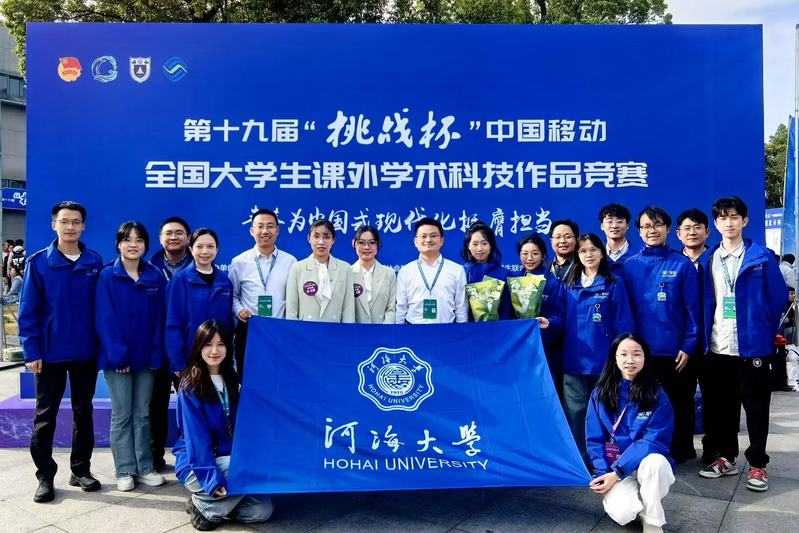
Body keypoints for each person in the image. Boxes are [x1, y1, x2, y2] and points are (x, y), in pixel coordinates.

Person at [699, 196, 787, 492]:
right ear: (715, 224)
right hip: (719, 346)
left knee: (757, 409)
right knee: (723, 408)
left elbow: (777, 298)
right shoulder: (709, 259)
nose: (729, 223)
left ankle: (758, 464)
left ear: (744, 221)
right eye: (723, 218)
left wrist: (762, 331)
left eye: (734, 217)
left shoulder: (762, 257)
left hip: (753, 348)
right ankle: (727, 457)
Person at [19, 201, 104, 502]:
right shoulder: (39, 263)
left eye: (76, 222)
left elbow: (101, 309)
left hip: (85, 352)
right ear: (54, 225)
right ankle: (45, 475)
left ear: (83, 226)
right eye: (64, 221)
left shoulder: (94, 261)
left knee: (84, 412)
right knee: (45, 416)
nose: (70, 227)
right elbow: (28, 311)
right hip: (50, 354)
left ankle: (80, 469)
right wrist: (32, 352)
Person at [174, 320, 273, 531]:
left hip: (231, 460)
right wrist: (211, 480)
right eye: (208, 344)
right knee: (250, 466)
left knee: (262, 510)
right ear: (199, 347)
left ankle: (207, 506)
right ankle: (205, 503)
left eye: (221, 344)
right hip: (198, 465)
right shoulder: (190, 386)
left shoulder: (232, 380)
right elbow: (196, 439)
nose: (214, 351)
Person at [621, 206, 701, 463]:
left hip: (676, 352)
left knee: (680, 402)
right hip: (641, 353)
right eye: (646, 226)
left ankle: (682, 450)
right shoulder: (629, 266)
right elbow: (624, 310)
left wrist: (689, 345)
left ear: (667, 229)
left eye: (657, 225)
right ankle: (647, 451)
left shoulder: (682, 264)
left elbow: (693, 310)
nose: (652, 230)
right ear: (639, 231)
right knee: (643, 405)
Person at [95, 221, 167, 491]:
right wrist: (118, 356)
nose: (133, 244)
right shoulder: (107, 276)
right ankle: (124, 469)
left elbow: (161, 319)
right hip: (118, 361)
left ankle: (145, 466)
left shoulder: (155, 276)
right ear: (118, 244)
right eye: (127, 239)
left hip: (147, 358)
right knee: (122, 414)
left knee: (143, 414)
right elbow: (104, 319)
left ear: (146, 245)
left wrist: (157, 355)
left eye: (139, 240)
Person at [586, 333, 675, 533]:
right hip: (614, 466)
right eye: (624, 354)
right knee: (623, 514)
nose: (630, 360)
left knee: (656, 463)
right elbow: (594, 440)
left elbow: (654, 441)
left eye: (636, 354)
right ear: (614, 358)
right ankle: (639, 504)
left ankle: (652, 522)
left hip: (643, 464)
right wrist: (603, 473)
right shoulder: (600, 394)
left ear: (645, 358)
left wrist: (619, 471)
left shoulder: (657, 395)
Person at [562, 233, 636, 461]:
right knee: (576, 414)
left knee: (606, 413)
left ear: (602, 253)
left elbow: (624, 325)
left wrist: (622, 358)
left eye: (593, 249)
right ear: (577, 255)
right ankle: (581, 461)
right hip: (574, 362)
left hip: (604, 362)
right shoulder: (568, 285)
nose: (588, 254)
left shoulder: (613, 283)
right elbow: (559, 320)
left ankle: (606, 460)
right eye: (583, 251)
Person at [229, 209, 297, 378]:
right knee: (248, 378)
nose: (265, 231)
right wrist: (239, 310)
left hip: (280, 330)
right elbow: (232, 296)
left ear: (277, 230)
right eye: (260, 226)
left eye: (270, 226)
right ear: (252, 231)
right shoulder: (239, 262)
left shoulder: (290, 262)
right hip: (249, 330)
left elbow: (294, 299)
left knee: (280, 378)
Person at [150, 215, 193, 470]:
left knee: (192, 407)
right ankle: (154, 459)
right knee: (155, 406)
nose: (174, 237)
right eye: (168, 233)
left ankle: (192, 457)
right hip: (156, 350)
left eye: (179, 233)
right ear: (160, 239)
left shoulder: (198, 268)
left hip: (188, 352)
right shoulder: (148, 268)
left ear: (188, 238)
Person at [165, 228, 235, 377]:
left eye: (210, 246)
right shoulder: (180, 280)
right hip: (189, 360)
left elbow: (228, 325)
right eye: (199, 246)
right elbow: (172, 324)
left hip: (218, 360)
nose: (205, 251)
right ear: (191, 250)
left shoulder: (225, 282)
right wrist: (178, 363)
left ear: (217, 250)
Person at [512, 233, 566, 397]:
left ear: (543, 256)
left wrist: (549, 323)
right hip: (519, 349)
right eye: (525, 253)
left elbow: (561, 317)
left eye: (535, 253)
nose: (529, 258)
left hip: (546, 351)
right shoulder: (513, 282)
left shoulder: (553, 283)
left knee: (547, 395)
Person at [396, 217, 468, 324]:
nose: (428, 240)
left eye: (433, 235)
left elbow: (461, 308)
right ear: (415, 241)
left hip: (447, 330)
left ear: (442, 240)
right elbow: (401, 308)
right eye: (423, 236)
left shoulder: (457, 270)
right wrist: (399, 332)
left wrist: (462, 331)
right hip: (413, 330)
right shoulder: (405, 271)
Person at [286, 219, 354, 323]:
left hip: (335, 330)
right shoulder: (297, 268)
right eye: (316, 236)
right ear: (309, 238)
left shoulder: (344, 268)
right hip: (304, 330)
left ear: (333, 240)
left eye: (326, 237)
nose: (321, 242)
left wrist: (347, 332)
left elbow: (348, 310)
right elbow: (291, 311)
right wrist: (294, 332)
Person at [461, 221, 511, 320]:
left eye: (484, 243)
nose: (480, 249)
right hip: (468, 327)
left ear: (491, 245)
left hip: (498, 327)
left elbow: (507, 310)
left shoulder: (504, 274)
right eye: (475, 244)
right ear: (468, 246)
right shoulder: (461, 272)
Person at [351, 225, 397, 324]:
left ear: (378, 244)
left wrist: (385, 331)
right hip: (354, 331)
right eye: (361, 242)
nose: (367, 247)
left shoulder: (389, 274)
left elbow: (391, 308)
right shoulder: (348, 273)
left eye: (372, 242)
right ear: (354, 243)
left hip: (382, 331)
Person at [598, 204, 634, 270]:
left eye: (620, 221)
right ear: (602, 226)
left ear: (627, 226)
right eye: (609, 221)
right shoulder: (596, 257)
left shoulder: (638, 256)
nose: (614, 226)